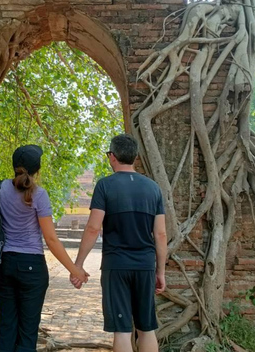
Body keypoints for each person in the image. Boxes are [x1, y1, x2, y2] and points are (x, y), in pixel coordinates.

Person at [71, 134, 168, 352]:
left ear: (112, 157)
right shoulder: (153, 188)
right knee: (146, 328)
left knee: (123, 330)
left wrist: (78, 264)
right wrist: (160, 271)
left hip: (116, 266)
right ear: (134, 157)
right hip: (144, 266)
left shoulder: (105, 186)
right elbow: (160, 234)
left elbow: (93, 228)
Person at [0, 144, 89, 352]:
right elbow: (51, 239)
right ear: (37, 170)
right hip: (32, 267)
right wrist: (75, 270)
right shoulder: (39, 194)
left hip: (5, 263)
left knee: (7, 329)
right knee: (28, 333)